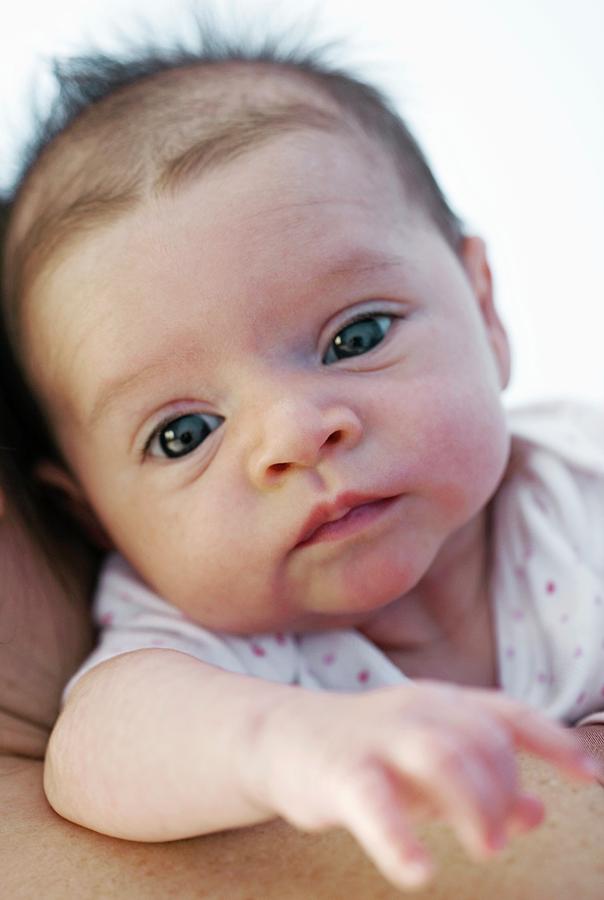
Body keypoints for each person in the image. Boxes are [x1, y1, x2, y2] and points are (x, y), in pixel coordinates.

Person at [1, 29, 603, 893]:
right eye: (183, 434)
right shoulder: (197, 641)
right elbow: (94, 755)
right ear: (98, 515)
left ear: (486, 313)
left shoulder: (581, 478)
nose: (292, 435)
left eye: (354, 337)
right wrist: (281, 744)